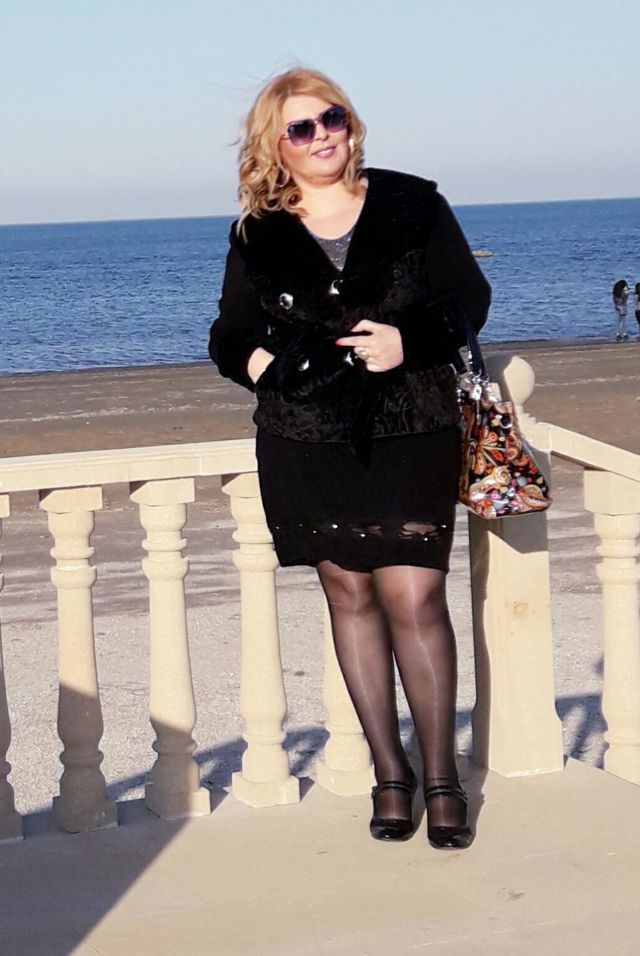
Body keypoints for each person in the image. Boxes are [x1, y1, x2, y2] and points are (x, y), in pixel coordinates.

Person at [209, 68, 491, 850]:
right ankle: (390, 775)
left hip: (412, 426)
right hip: (307, 438)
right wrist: (269, 369)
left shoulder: (411, 203)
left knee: (415, 597)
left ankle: (442, 781)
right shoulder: (257, 233)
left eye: (331, 117)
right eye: (301, 128)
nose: (322, 135)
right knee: (350, 596)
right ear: (276, 146)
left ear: (350, 123)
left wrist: (411, 340)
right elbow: (228, 333)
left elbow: (469, 298)